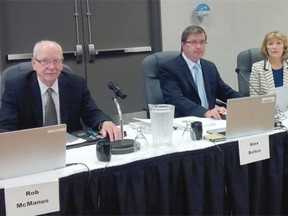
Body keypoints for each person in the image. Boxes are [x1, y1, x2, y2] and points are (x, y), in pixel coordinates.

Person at [0, 40, 120, 141]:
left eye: (56, 61)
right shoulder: (16, 87)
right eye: (45, 61)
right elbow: (5, 127)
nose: (51, 67)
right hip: (31, 149)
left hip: (68, 146)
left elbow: (92, 112)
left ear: (62, 64)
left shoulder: (76, 84)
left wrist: (104, 122)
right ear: (34, 63)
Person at [159, 25, 243, 119]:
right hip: (185, 121)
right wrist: (204, 112)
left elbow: (225, 91)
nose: (198, 47)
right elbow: (176, 99)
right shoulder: (169, 68)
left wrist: (247, 101)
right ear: (183, 44)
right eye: (193, 42)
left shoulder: (209, 67)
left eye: (202, 42)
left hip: (211, 121)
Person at [249, 31, 288, 96]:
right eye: (270, 44)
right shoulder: (257, 68)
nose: (274, 47)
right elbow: (254, 97)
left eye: (278, 43)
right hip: (265, 105)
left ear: (284, 47)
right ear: (266, 48)